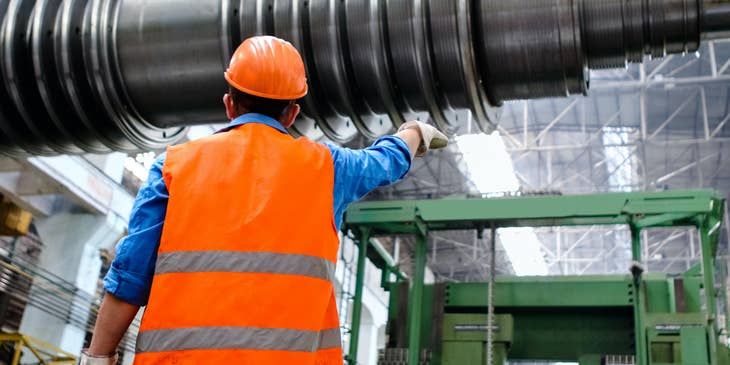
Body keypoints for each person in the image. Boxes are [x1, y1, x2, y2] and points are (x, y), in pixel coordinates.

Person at [81, 36, 447, 365]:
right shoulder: (329, 168)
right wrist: (413, 132)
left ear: (229, 104)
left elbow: (129, 278)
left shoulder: (174, 166)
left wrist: (99, 358)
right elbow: (386, 161)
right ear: (292, 113)